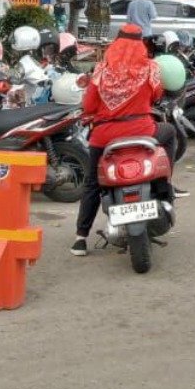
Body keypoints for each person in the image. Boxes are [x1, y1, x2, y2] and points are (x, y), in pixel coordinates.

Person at [70, 25, 177, 256]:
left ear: (115, 44)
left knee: (92, 183)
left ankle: (80, 238)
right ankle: (166, 187)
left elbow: (88, 106)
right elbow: (157, 94)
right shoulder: (150, 68)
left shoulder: (101, 70)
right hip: (143, 131)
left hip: (105, 137)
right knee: (169, 132)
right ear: (141, 45)